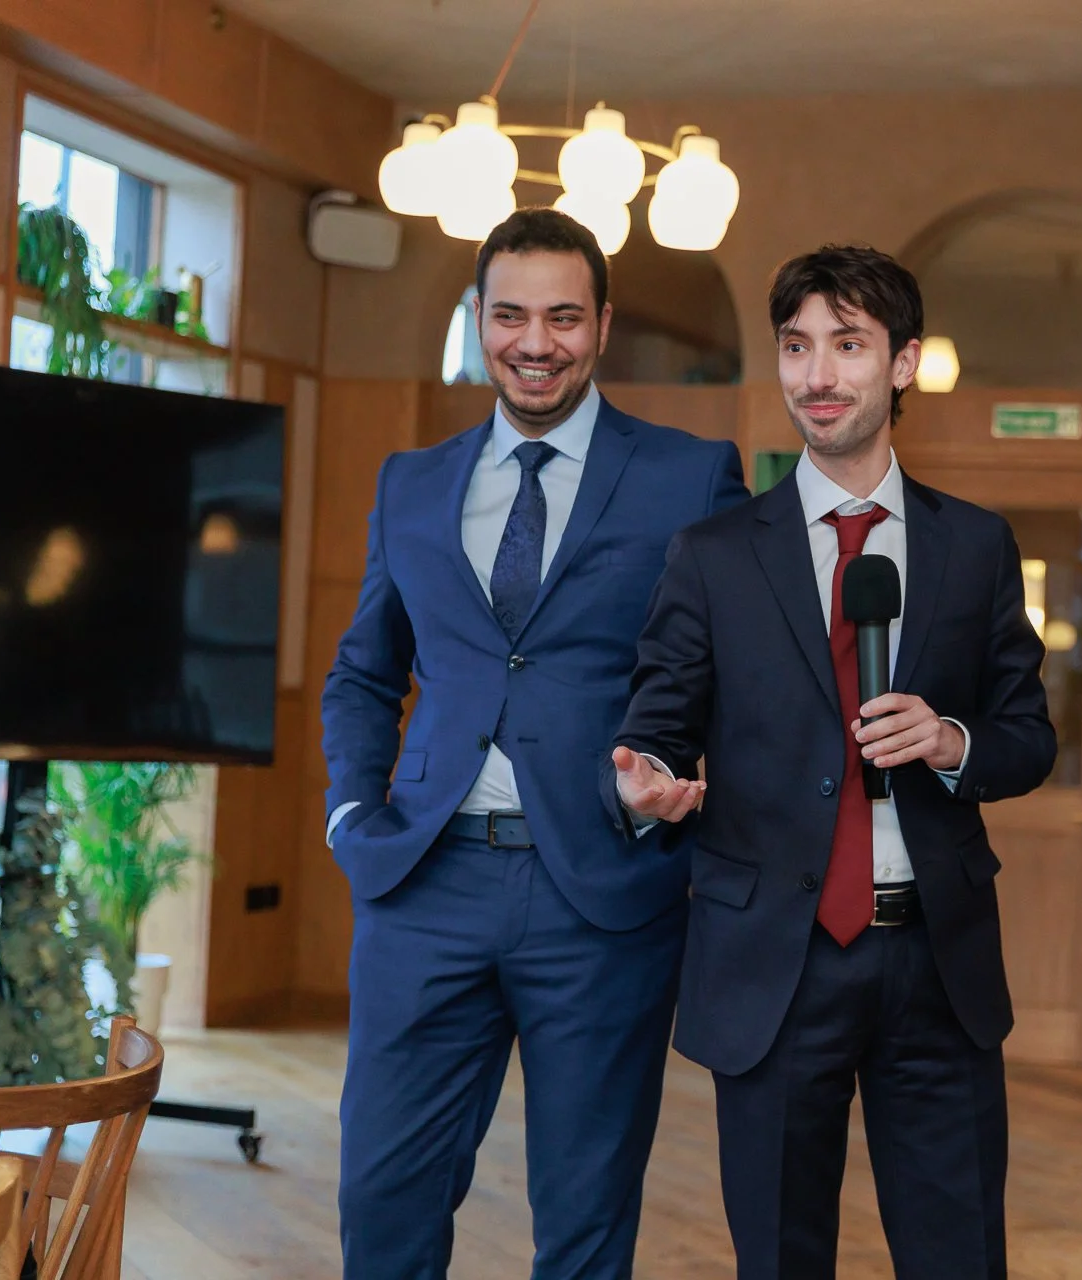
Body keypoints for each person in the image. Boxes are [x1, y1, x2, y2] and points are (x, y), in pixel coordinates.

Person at [603, 244, 1055, 1278]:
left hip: (936, 959)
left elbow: (1028, 736)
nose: (818, 374)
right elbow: (656, 726)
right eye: (798, 346)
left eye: (848, 345)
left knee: (958, 1258)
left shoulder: (974, 545)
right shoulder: (714, 553)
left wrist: (952, 741)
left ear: (903, 363)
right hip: (775, 959)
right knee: (778, 1257)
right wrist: (644, 786)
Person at [321, 208, 747, 1279]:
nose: (535, 340)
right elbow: (365, 672)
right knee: (382, 1196)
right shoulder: (409, 482)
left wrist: (687, 785)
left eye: (563, 315)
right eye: (509, 314)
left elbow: (739, 678)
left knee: (587, 1214)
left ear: (602, 326)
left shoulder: (690, 477)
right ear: (477, 320)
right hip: (424, 880)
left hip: (602, 889)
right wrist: (351, 810)